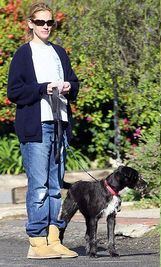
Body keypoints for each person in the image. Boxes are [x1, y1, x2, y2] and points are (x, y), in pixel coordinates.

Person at [7, 2, 79, 259]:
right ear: (30, 24)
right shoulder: (23, 54)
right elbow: (13, 92)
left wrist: (70, 86)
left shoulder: (59, 52)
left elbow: (74, 80)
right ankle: (37, 244)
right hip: (36, 127)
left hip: (60, 125)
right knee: (38, 187)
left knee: (54, 186)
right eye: (41, 22)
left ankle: (53, 238)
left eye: (50, 22)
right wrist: (43, 88)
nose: (46, 26)